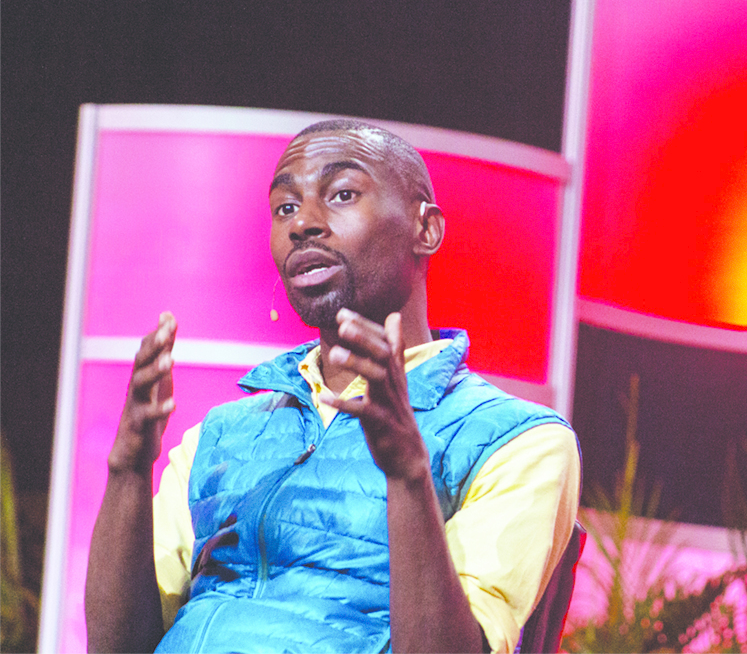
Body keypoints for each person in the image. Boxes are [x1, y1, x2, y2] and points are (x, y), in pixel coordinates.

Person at [85, 120, 580, 654]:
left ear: (426, 229)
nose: (304, 225)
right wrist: (129, 470)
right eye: (286, 208)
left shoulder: (519, 441)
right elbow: (117, 647)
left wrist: (409, 474)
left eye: (342, 194)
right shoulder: (218, 436)